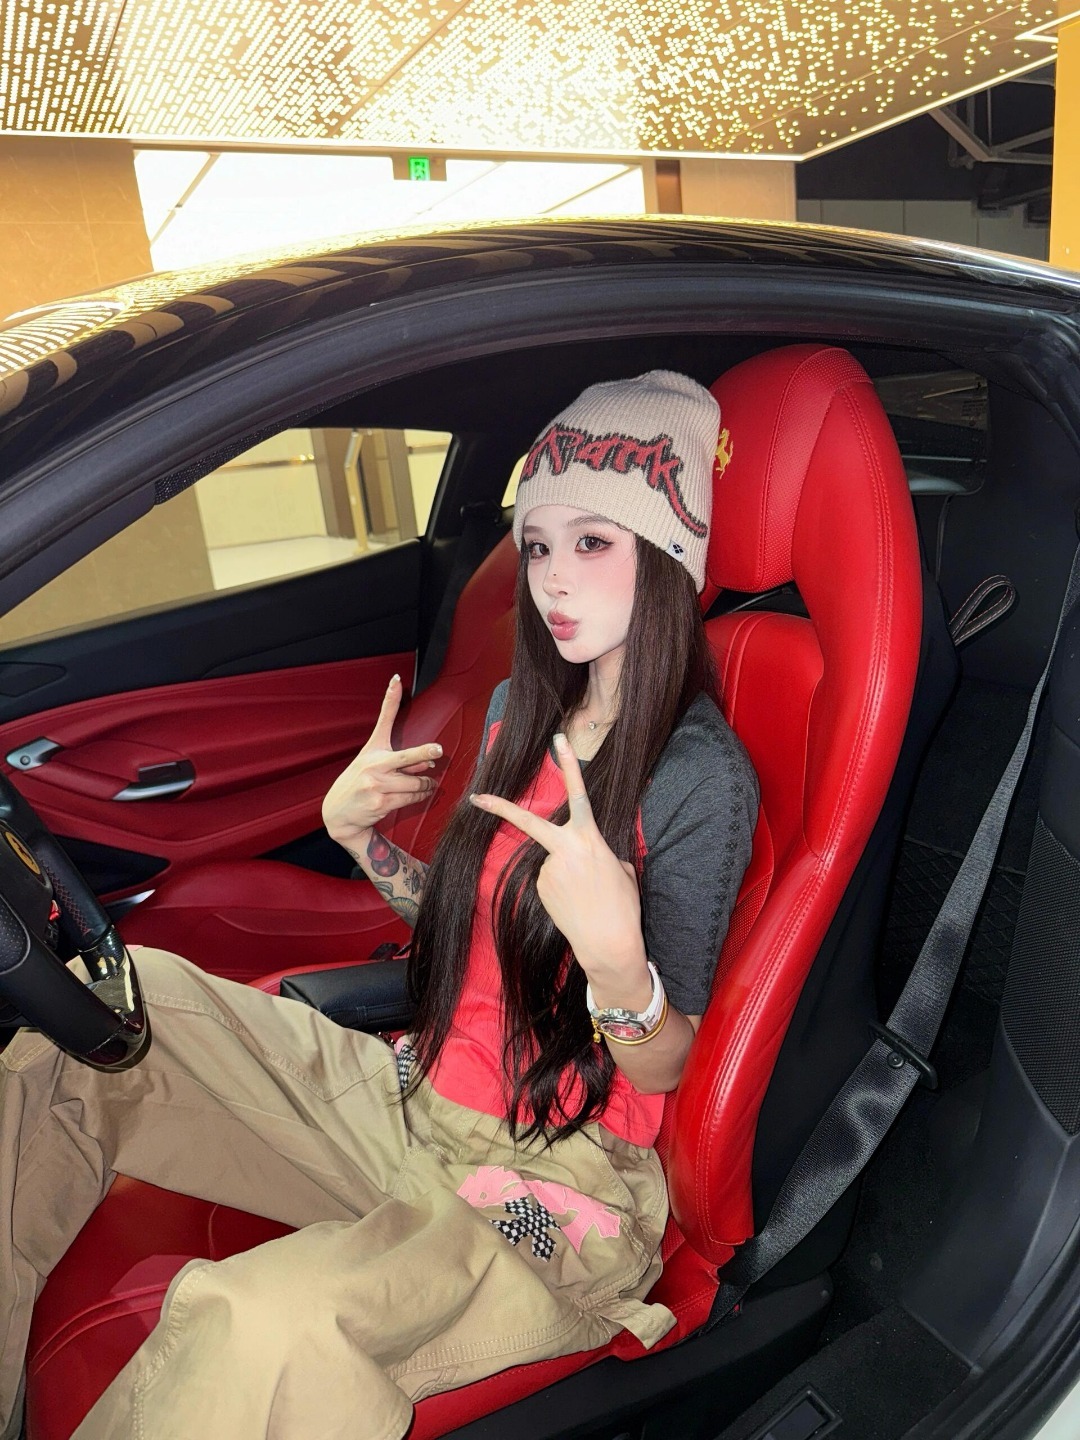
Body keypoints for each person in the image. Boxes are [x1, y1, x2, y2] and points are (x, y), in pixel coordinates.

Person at [0, 371, 757, 1440]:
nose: (552, 578)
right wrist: (362, 843)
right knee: (106, 1017)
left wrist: (620, 968)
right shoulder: (522, 707)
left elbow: (668, 1066)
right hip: (412, 1096)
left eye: (594, 542)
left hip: (558, 1180)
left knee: (263, 1324)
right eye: (538, 544)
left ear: (670, 557)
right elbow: (470, 936)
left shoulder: (698, 776)